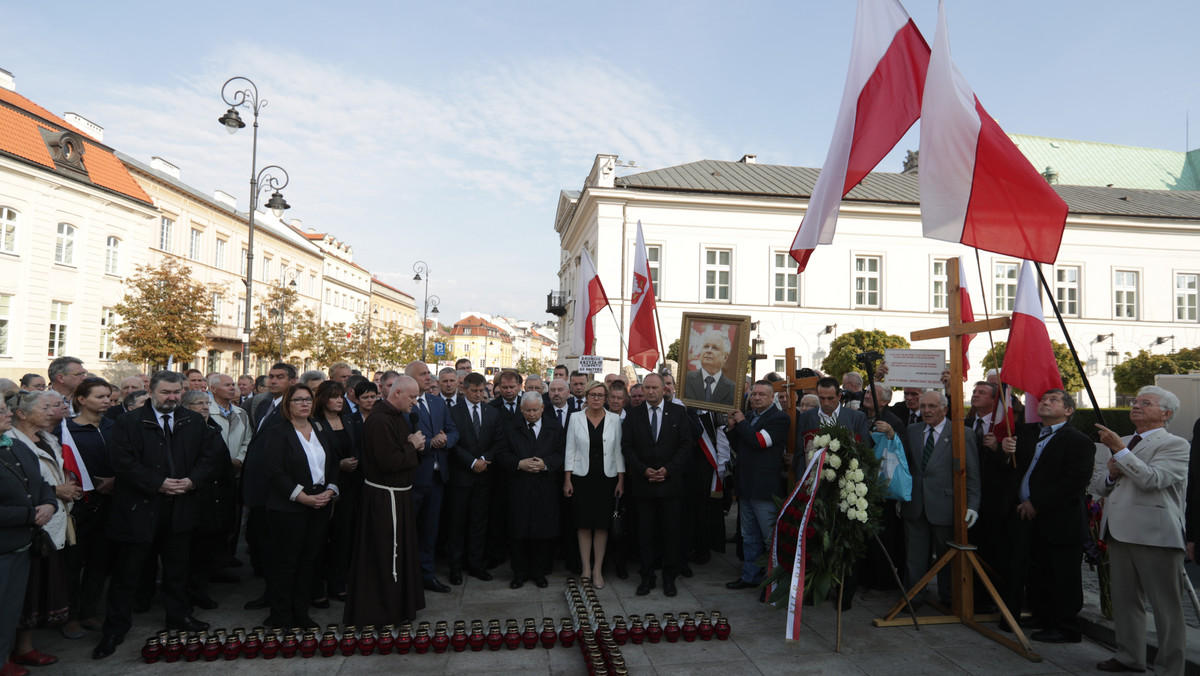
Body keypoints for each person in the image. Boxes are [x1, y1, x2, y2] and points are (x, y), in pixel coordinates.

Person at [94, 371, 223, 660]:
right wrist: (158, 483)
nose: (173, 397)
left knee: (177, 569)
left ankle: (178, 615)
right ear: (151, 391)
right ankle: (115, 627)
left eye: (177, 392)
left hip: (181, 506)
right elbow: (122, 462)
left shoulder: (192, 421)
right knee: (128, 572)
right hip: (139, 509)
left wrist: (191, 481)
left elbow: (208, 457)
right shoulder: (128, 422)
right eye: (166, 392)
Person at [1093, 386, 1189, 675]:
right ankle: (1128, 656)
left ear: (1166, 414)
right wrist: (1110, 472)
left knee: (1166, 608)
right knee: (1125, 601)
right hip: (1119, 532)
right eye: (1135, 401)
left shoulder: (1174, 444)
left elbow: (1153, 480)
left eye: (1146, 403)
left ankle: (1170, 667)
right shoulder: (1122, 441)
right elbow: (1098, 485)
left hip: (1155, 534)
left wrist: (1121, 453)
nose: (1136, 406)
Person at [994, 389, 1093, 643]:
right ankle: (1041, 615)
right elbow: (1013, 469)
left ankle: (1064, 627)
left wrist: (1036, 503)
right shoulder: (1027, 432)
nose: (1045, 402)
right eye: (1044, 399)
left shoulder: (1078, 441)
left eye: (1054, 400)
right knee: (1035, 571)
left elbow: (1074, 482)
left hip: (1059, 518)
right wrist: (1004, 452)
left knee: (1060, 573)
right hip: (1024, 516)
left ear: (1068, 411)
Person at [344, 375, 425, 626]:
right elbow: (388, 462)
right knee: (383, 554)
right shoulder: (379, 420)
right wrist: (412, 445)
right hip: (384, 497)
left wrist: (412, 447)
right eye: (412, 397)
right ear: (398, 393)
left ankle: (398, 607)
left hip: (397, 496)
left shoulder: (396, 417)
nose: (415, 402)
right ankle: (381, 611)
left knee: (398, 554)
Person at [261, 384, 339, 629]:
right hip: (290, 507)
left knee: (309, 561)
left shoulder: (320, 428)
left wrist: (331, 489)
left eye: (308, 399)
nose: (304, 404)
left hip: (320, 504)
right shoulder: (277, 432)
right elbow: (273, 471)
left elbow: (334, 463)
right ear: (288, 404)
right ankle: (281, 617)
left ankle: (301, 613)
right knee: (287, 563)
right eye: (298, 400)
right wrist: (301, 496)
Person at [8, 392, 75, 668]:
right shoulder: (10, 442)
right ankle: (11, 651)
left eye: (53, 405)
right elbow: (20, 485)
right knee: (21, 591)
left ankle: (24, 647)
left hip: (54, 520)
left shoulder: (48, 438)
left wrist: (65, 488)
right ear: (21, 414)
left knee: (36, 589)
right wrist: (55, 491)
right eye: (44, 407)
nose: (52, 410)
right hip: (30, 524)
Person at [900, 390, 980, 606]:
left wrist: (973, 505)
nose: (926, 411)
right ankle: (914, 597)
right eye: (924, 406)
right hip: (915, 505)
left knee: (946, 557)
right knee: (914, 557)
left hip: (946, 506)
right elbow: (907, 467)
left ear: (944, 409)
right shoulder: (913, 430)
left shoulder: (961, 433)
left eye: (932, 406)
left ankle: (949, 599)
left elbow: (972, 473)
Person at [0, 397, 57, 676]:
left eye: (5, 408)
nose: (7, 413)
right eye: (0, 411)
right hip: (4, 545)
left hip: (21, 544)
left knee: (11, 608)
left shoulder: (14, 446)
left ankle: (6, 657)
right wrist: (28, 515)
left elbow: (41, 482)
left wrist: (49, 504)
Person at [623, 373, 692, 597]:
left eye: (654, 388)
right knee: (645, 534)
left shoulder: (679, 413)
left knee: (671, 534)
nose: (650, 392)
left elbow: (685, 446)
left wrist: (668, 470)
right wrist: (643, 470)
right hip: (644, 486)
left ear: (664, 389)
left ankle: (669, 578)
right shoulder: (633, 414)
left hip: (670, 486)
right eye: (647, 388)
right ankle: (647, 577)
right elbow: (627, 447)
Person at [61, 380, 116, 640]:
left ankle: (89, 611)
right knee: (72, 564)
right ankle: (69, 616)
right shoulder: (67, 431)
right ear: (81, 400)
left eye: (108, 396)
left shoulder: (114, 427)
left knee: (99, 560)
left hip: (110, 504)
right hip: (79, 506)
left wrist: (115, 481)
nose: (106, 401)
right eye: (99, 396)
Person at [724, 381, 789, 591]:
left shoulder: (779, 419)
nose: (756, 398)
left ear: (773, 398)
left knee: (770, 538)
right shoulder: (750, 417)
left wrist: (741, 423)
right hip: (745, 485)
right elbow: (740, 446)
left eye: (762, 394)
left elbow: (759, 442)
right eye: (754, 394)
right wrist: (732, 428)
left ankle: (773, 583)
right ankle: (750, 576)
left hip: (765, 487)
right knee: (748, 536)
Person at [242, 363, 297, 608]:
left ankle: (279, 598)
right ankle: (271, 592)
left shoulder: (293, 408)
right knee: (264, 544)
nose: (273, 381)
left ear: (292, 381)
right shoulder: (265, 404)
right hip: (260, 488)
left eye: (280, 377)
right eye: (271, 377)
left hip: (277, 490)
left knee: (278, 549)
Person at [498, 392, 564, 589]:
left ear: (543, 408)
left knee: (542, 531)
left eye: (535, 409)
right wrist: (518, 463)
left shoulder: (554, 426)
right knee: (518, 531)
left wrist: (546, 464)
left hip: (545, 486)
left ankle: (539, 572)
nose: (532, 414)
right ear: (521, 410)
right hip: (519, 486)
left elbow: (562, 452)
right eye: (527, 410)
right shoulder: (511, 427)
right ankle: (519, 573)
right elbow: (501, 452)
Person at [563, 381, 625, 589]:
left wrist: (621, 480)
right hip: (581, 478)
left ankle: (597, 569)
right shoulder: (575, 418)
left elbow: (618, 451)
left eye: (600, 395)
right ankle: (585, 569)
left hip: (606, 479)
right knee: (583, 524)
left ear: (606, 398)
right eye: (593, 394)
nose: (596, 398)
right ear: (587, 396)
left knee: (601, 525)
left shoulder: (615, 420)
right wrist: (567, 479)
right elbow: (570, 449)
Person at [446, 372, 505, 584]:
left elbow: (498, 442)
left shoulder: (491, 413)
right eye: (474, 391)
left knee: (479, 523)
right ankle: (455, 566)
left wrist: (483, 460)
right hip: (461, 476)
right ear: (464, 389)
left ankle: (476, 565)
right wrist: (472, 462)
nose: (479, 395)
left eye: (482, 391)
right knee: (457, 524)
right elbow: (452, 444)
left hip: (484, 476)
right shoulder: (452, 412)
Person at [405, 360, 459, 593]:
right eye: (423, 374)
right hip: (414, 479)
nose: (429, 378)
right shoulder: (404, 406)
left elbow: (453, 430)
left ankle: (427, 574)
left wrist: (446, 440)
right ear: (409, 379)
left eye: (429, 374)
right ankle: (407, 577)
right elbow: (404, 438)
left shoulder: (437, 403)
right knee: (409, 531)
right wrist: (429, 443)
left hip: (437, 479)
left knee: (430, 531)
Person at [179, 390, 234, 611]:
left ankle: (202, 586)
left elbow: (223, 466)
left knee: (207, 548)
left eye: (206, 402)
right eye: (197, 403)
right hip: (191, 498)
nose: (203, 406)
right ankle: (192, 592)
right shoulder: (181, 429)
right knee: (191, 552)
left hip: (215, 498)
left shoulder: (213, 428)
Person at [311, 380, 359, 604]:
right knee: (319, 538)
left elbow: (356, 446)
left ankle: (338, 583)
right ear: (322, 399)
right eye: (333, 396)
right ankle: (316, 586)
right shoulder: (313, 423)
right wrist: (338, 464)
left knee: (342, 536)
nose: (339, 400)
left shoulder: (348, 420)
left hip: (348, 487)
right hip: (323, 487)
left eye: (341, 396)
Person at [793, 378, 872, 472]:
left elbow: (865, 451)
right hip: (813, 478)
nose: (826, 403)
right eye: (822, 398)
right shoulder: (806, 418)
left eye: (830, 398)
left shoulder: (857, 418)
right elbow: (800, 452)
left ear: (839, 396)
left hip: (846, 478)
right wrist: (801, 479)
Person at [683, 329, 736, 407]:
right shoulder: (685, 379)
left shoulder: (733, 389)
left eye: (715, 348)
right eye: (706, 346)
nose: (708, 351)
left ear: (725, 357)